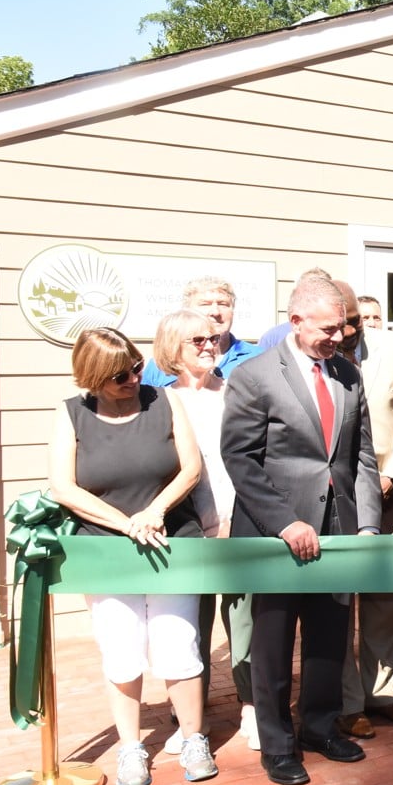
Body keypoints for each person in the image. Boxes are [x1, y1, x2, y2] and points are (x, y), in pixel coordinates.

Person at [222, 276, 381, 785]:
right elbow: (240, 459)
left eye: (343, 327)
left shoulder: (349, 375)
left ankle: (319, 726)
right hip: (277, 533)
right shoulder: (255, 376)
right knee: (271, 645)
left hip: (338, 527)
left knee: (330, 637)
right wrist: (284, 521)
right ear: (296, 321)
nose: (338, 336)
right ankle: (277, 743)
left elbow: (361, 456)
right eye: (328, 328)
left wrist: (368, 525)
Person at [48, 327, 216, 785]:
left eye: (136, 366)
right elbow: (64, 488)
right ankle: (131, 747)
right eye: (119, 373)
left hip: (171, 541)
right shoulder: (71, 415)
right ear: (92, 375)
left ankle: (193, 737)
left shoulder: (163, 400)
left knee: (178, 643)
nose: (132, 377)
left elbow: (191, 468)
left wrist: (154, 511)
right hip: (107, 549)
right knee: (121, 651)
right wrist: (127, 525)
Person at [154, 309, 254, 754]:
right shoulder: (157, 402)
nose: (210, 346)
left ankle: (252, 707)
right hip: (184, 527)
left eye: (214, 339)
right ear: (172, 348)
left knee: (244, 620)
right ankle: (190, 719)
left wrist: (234, 516)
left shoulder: (234, 395)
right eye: (197, 341)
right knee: (188, 622)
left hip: (237, 519)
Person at [335, 281, 393, 737]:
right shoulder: (317, 351)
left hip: (391, 492)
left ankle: (382, 693)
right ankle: (347, 701)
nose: (351, 328)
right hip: (332, 499)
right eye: (343, 320)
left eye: (356, 318)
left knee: (382, 602)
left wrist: (392, 473)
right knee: (337, 603)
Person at [142, 276, 261, 387]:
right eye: (205, 304)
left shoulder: (259, 358)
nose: (215, 312)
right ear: (188, 312)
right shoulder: (162, 365)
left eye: (223, 304)